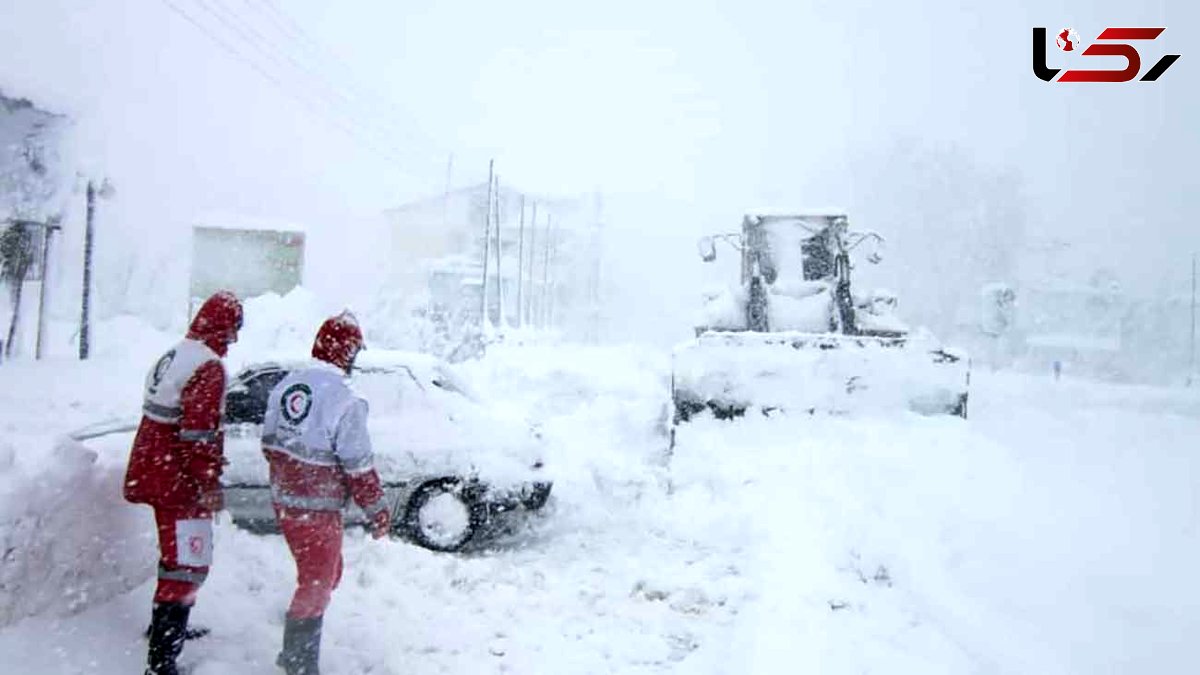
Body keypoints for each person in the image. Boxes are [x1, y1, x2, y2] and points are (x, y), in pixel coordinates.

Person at [262, 310, 391, 675]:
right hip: (316, 509)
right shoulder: (345, 399)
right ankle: (298, 661)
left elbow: (269, 442)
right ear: (347, 352)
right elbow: (359, 466)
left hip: (285, 502)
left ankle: (297, 645)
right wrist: (377, 511)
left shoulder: (287, 384)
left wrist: (288, 477)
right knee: (317, 582)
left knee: (327, 574)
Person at [124, 290, 243, 675]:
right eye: (233, 329)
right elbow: (198, 435)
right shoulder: (208, 367)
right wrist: (208, 483)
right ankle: (162, 661)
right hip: (178, 480)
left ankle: (168, 628)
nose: (234, 339)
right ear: (221, 326)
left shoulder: (176, 353)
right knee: (188, 563)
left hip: (154, 468)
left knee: (176, 557)